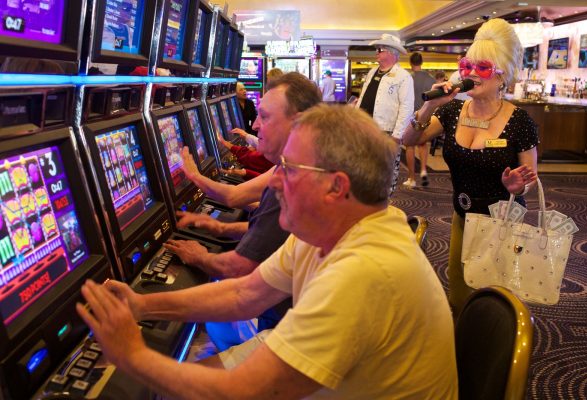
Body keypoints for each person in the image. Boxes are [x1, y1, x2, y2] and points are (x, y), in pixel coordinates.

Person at [77, 104, 458, 399]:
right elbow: (244, 294)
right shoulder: (328, 231)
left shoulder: (363, 271)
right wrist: (141, 306)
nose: (274, 182)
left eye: (289, 169)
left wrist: (132, 356)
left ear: (336, 187)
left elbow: (243, 392)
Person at [164, 73, 321, 339]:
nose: (255, 125)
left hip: (289, 326)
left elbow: (240, 269)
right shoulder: (293, 165)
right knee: (216, 322)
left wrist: (200, 256)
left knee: (212, 325)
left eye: (264, 117)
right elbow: (241, 201)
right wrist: (221, 227)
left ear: (297, 123)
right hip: (289, 310)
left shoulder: (295, 178)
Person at [402, 18, 539, 313]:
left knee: (494, 300)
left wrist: (519, 185)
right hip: (462, 217)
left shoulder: (520, 121)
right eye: (467, 66)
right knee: (460, 295)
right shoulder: (452, 111)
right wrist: (429, 106)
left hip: (501, 223)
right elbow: (409, 139)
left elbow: (530, 179)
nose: (472, 74)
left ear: (502, 76)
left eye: (483, 68)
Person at [356, 33, 414, 194]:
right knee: (364, 167)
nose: (376, 52)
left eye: (380, 49)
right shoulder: (372, 72)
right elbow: (363, 96)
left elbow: (406, 107)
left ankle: (383, 201)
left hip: (387, 131)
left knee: (385, 169)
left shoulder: (403, 76)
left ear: (391, 52)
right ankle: (365, 198)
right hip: (365, 128)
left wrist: (398, 134)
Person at [404, 52, 436, 188]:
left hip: (411, 115)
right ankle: (423, 171)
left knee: (409, 145)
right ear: (421, 62)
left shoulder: (407, 78)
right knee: (422, 143)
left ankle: (412, 178)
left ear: (410, 63)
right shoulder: (431, 79)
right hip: (426, 114)